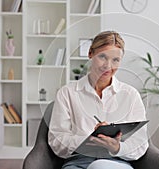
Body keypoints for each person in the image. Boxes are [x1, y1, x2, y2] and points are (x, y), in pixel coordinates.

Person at [48, 31, 149, 169]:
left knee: (100, 166)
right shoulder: (67, 93)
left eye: (115, 60)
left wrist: (116, 147)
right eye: (103, 56)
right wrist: (89, 140)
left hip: (116, 162)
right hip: (78, 162)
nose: (108, 66)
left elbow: (140, 144)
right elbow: (56, 142)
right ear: (90, 53)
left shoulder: (131, 95)